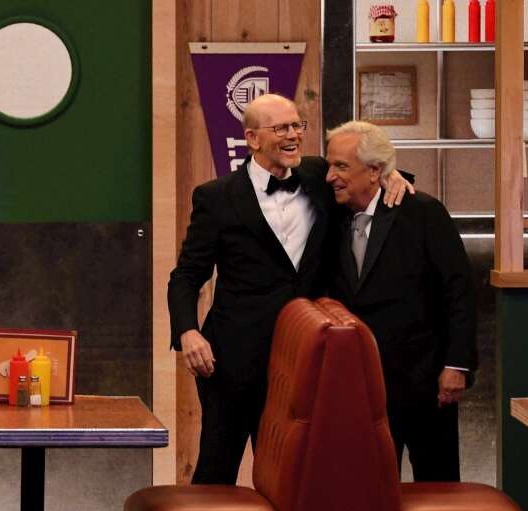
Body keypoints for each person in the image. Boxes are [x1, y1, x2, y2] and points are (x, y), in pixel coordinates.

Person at [168, 94, 409, 484]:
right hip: (233, 357)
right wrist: (187, 331)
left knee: (293, 476)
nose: (294, 135)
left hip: (305, 354)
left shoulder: (318, 176)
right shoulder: (216, 197)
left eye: (298, 125)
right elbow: (187, 275)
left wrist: (393, 175)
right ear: (252, 138)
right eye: (281, 128)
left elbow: (364, 171)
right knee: (216, 467)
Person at [323, 121, 478, 482]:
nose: (330, 176)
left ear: (374, 171)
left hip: (426, 383)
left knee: (438, 491)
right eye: (330, 165)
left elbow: (459, 290)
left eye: (341, 166)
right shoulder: (329, 213)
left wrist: (457, 365)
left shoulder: (422, 212)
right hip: (359, 387)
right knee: (367, 490)